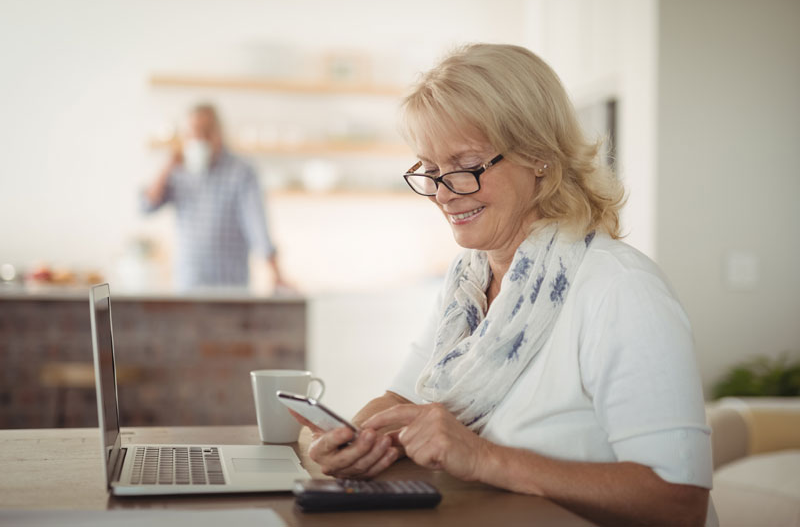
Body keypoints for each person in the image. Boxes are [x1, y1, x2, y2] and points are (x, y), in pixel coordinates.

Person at [293, 44, 716, 527]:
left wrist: (483, 458)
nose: (443, 193)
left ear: (538, 155)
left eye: (466, 166)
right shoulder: (468, 282)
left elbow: (678, 503)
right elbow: (402, 401)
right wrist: (352, 441)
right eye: (430, 170)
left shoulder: (621, 289)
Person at [141, 104, 289, 291]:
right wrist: (167, 167)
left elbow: (258, 227)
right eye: (193, 133)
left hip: (231, 287)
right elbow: (146, 206)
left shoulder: (242, 172)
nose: (199, 139)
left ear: (219, 133)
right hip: (188, 284)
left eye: (205, 132)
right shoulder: (178, 171)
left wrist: (277, 275)